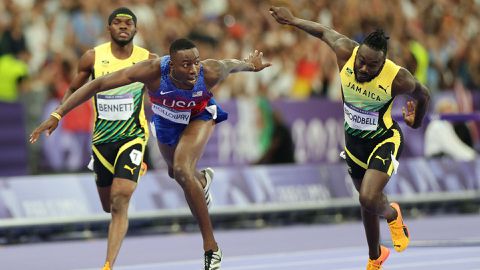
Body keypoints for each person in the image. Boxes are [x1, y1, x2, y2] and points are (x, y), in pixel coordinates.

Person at [30, 37, 271, 270]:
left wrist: (250, 65)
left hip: (199, 116)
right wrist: (57, 114)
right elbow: (98, 84)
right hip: (166, 121)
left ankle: (211, 248)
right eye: (186, 64)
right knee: (175, 173)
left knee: (181, 169)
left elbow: (231, 65)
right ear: (171, 65)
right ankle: (202, 180)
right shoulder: (152, 71)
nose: (193, 69)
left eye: (196, 62)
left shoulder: (209, 72)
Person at [270, 6, 430, 270]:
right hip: (354, 143)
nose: (364, 68)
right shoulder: (346, 50)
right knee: (367, 204)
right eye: (362, 62)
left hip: (384, 139)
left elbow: (423, 94)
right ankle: (375, 256)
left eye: (372, 66)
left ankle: (393, 214)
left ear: (383, 64)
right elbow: (322, 31)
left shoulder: (397, 78)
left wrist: (417, 120)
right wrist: (293, 20)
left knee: (368, 198)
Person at [30, 7, 157, 270]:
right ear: (108, 28)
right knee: (108, 205)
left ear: (135, 29)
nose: (123, 26)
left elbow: (168, 85)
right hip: (101, 140)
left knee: (121, 198)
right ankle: (126, 173)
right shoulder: (92, 57)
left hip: (133, 135)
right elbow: (76, 88)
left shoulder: (148, 59)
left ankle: (108, 264)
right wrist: (57, 115)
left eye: (128, 23)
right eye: (117, 23)